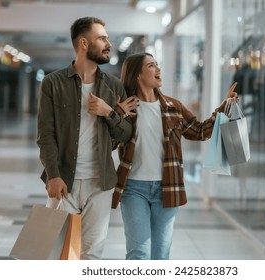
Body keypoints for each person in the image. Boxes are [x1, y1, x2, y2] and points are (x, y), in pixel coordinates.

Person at [111, 52, 238, 260]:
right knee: (138, 253)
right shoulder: (127, 109)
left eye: (157, 64)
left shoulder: (173, 107)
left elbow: (199, 131)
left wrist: (225, 107)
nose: (158, 69)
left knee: (160, 255)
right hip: (133, 188)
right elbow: (110, 140)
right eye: (151, 65)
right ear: (138, 75)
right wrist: (116, 113)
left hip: (167, 187)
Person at [36, 16, 133, 260]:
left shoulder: (114, 87)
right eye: (102, 38)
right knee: (59, 254)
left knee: (92, 254)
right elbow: (45, 135)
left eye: (108, 38)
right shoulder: (52, 83)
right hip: (63, 182)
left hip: (100, 184)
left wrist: (109, 112)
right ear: (83, 43)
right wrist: (53, 175)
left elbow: (125, 134)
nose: (108, 44)